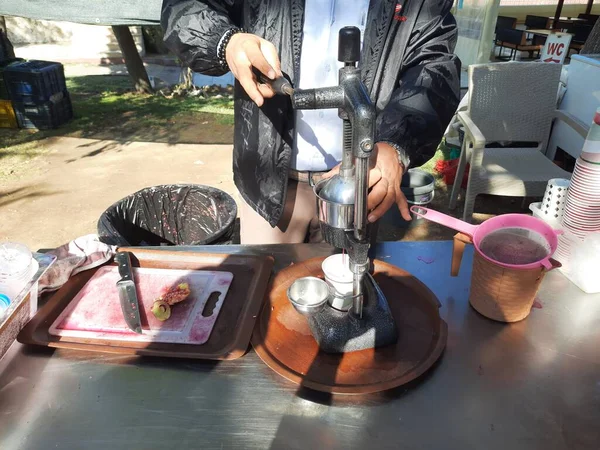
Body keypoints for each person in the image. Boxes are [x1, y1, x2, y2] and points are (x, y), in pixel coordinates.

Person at [161, 0, 460, 244]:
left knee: (348, 295)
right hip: (269, 188)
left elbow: (432, 64)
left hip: (361, 189)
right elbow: (186, 8)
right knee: (266, 299)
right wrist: (226, 41)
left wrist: (396, 143)